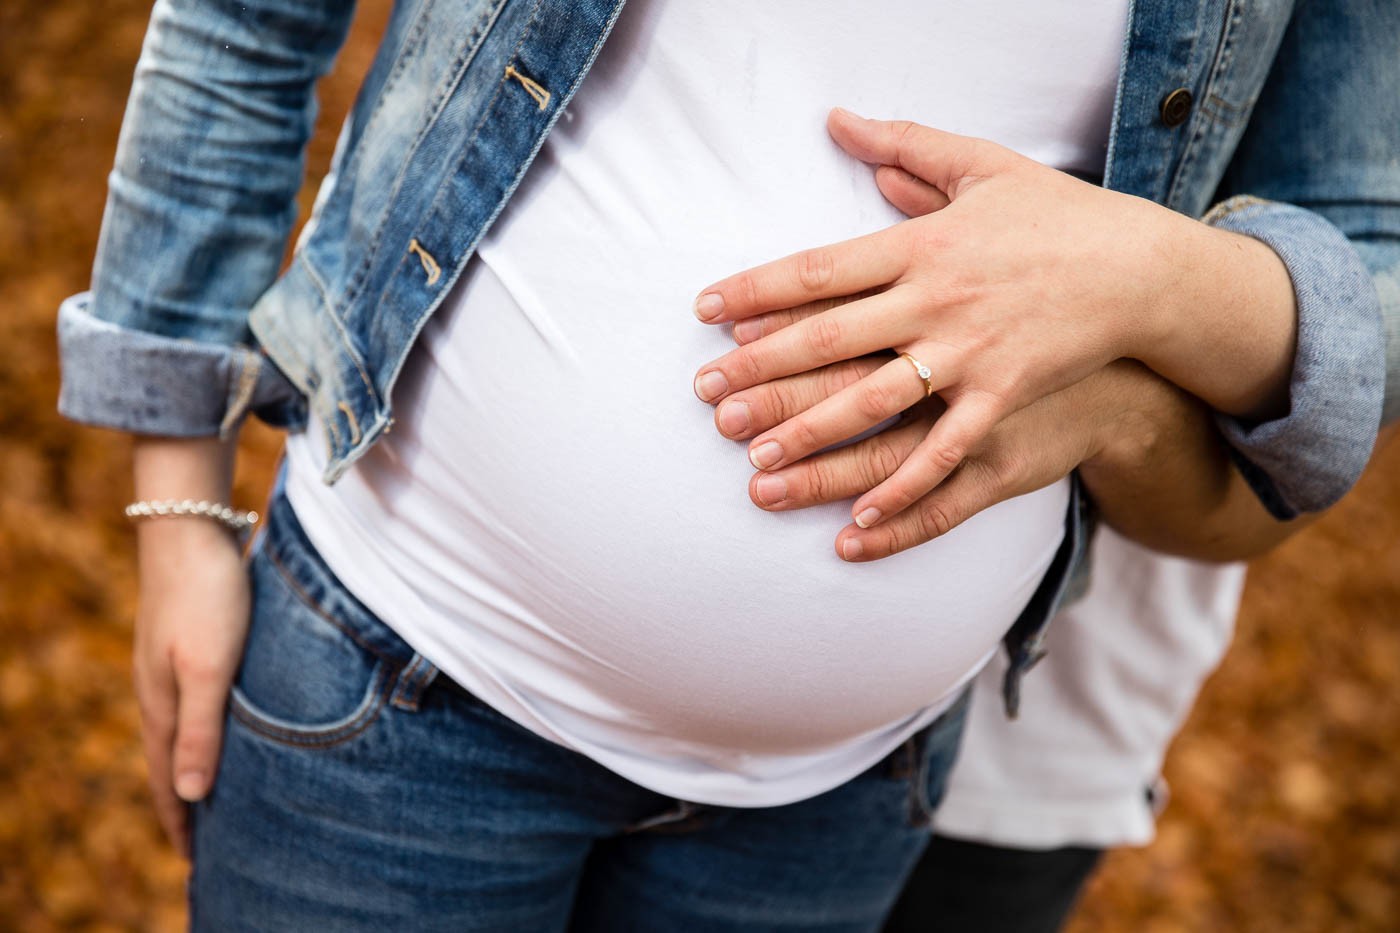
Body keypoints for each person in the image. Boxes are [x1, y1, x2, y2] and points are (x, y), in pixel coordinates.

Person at [54, 1, 1396, 930]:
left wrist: (1139, 273)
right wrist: (178, 493)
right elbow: (246, 23)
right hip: (402, 686)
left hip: (840, 796)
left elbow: (1360, 284)